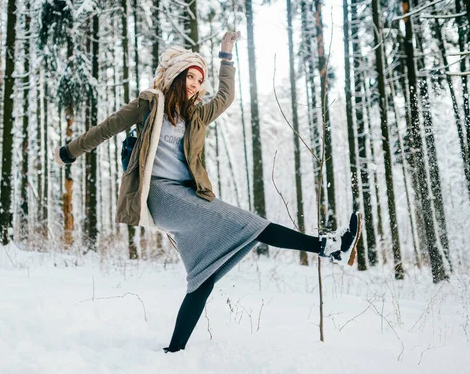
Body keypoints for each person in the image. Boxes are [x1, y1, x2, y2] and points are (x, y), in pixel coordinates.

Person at [54, 31, 362, 353]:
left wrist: (225, 56)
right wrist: (70, 152)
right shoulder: (149, 104)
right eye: (190, 77)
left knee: (203, 276)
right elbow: (107, 128)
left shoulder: (198, 115)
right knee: (248, 224)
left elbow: (226, 96)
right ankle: (329, 247)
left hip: (188, 197)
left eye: (199, 81)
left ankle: (174, 352)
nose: (195, 85)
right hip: (160, 194)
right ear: (176, 76)